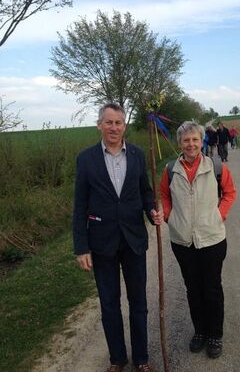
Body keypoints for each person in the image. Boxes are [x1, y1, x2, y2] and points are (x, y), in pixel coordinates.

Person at [73, 102, 163, 372]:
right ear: (99, 125)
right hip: (102, 244)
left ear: (125, 125)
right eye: (109, 122)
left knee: (139, 303)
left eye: (119, 122)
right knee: (109, 304)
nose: (114, 127)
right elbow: (80, 205)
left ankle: (142, 358)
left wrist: (152, 210)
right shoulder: (86, 159)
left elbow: (145, 191)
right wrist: (81, 247)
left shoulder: (136, 154)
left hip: (134, 241)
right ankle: (117, 359)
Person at [160, 121, 236, 359]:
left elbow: (230, 193)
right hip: (183, 241)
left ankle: (215, 334)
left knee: (211, 288)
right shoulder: (170, 168)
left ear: (201, 141)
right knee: (193, 288)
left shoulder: (215, 166)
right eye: (186, 140)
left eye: (194, 139)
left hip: (212, 238)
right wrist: (169, 216)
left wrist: (219, 214)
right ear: (180, 143)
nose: (190, 144)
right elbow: (163, 195)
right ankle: (200, 331)